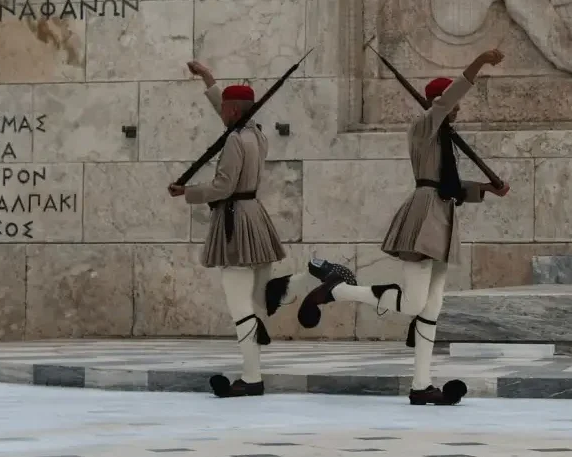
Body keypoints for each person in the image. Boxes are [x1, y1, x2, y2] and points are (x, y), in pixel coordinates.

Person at [294, 49, 511, 406]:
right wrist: (479, 63)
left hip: (443, 219)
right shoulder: (425, 126)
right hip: (424, 218)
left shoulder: (444, 137)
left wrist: (486, 189)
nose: (457, 111)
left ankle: (421, 385)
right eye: (452, 106)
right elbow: (447, 108)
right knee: (412, 304)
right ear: (439, 103)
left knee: (432, 307)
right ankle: (340, 289)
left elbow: (450, 185)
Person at [169, 60, 353, 398]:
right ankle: (314, 276)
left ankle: (251, 378)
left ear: (234, 110)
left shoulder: (235, 142)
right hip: (255, 217)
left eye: (225, 108)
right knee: (259, 299)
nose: (222, 113)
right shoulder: (256, 134)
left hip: (235, 221)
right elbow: (231, 117)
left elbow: (223, 187)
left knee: (241, 306)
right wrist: (209, 80)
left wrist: (188, 193)